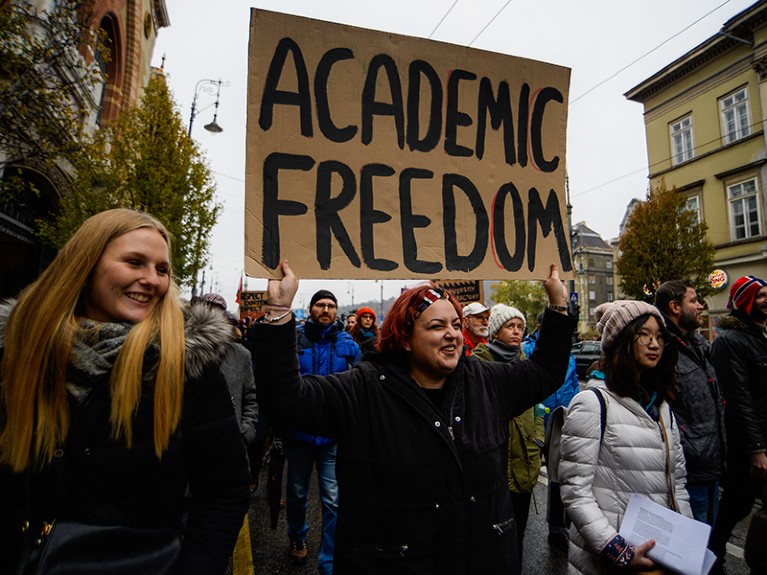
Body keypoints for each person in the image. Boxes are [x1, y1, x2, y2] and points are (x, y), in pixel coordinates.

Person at [250, 260, 575, 575]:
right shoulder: (363, 390)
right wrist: (279, 312)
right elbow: (286, 399)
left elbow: (545, 371)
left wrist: (558, 305)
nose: (452, 335)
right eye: (436, 326)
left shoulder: (488, 381)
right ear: (404, 338)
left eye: (455, 325)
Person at [0, 209, 250, 575]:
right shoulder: (17, 355)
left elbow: (225, 492)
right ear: (85, 264)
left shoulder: (185, 368)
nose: (151, 280)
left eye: (162, 269)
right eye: (134, 262)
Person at [559, 300, 691, 574]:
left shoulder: (662, 406)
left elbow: (677, 483)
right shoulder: (592, 403)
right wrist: (616, 550)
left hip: (659, 553)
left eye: (659, 336)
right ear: (621, 341)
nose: (654, 343)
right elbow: (575, 492)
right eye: (643, 334)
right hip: (610, 559)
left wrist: (685, 546)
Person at [284, 289, 362, 574]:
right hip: (300, 433)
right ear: (312, 308)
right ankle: (297, 537)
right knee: (297, 493)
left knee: (333, 499)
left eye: (331, 305)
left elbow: (361, 381)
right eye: (321, 304)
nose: (326, 309)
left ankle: (328, 560)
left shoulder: (348, 343)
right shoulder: (295, 340)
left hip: (332, 434)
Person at [471, 303, 543, 566]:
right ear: (495, 331)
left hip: (524, 461)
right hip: (493, 465)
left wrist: (537, 438)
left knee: (518, 534)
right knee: (490, 538)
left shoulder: (526, 364)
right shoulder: (477, 363)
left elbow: (537, 408)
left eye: (520, 327)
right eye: (509, 326)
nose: (516, 332)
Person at [654, 280, 726, 526]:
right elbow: (656, 408)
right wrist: (686, 446)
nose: (701, 306)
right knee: (690, 545)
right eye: (693, 301)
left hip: (710, 462)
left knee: (710, 542)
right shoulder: (660, 347)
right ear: (674, 306)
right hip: (687, 469)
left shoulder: (698, 343)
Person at [709, 275, 767, 570]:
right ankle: (712, 556)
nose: (766, 301)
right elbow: (739, 397)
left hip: (759, 437)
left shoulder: (758, 336)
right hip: (746, 444)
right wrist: (756, 448)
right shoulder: (730, 341)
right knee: (735, 505)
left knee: (738, 504)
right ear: (744, 301)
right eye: (760, 296)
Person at [522, 310, 580, 549]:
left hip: (562, 422)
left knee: (558, 474)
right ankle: (518, 525)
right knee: (530, 475)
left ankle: (557, 526)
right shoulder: (527, 350)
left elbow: (574, 384)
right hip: (537, 421)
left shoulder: (569, 353)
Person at [199, 293, 260, 483]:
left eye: (217, 312)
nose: (210, 317)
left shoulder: (241, 355)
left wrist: (245, 433)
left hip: (231, 454)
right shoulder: (177, 351)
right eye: (205, 310)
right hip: (188, 457)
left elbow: (251, 397)